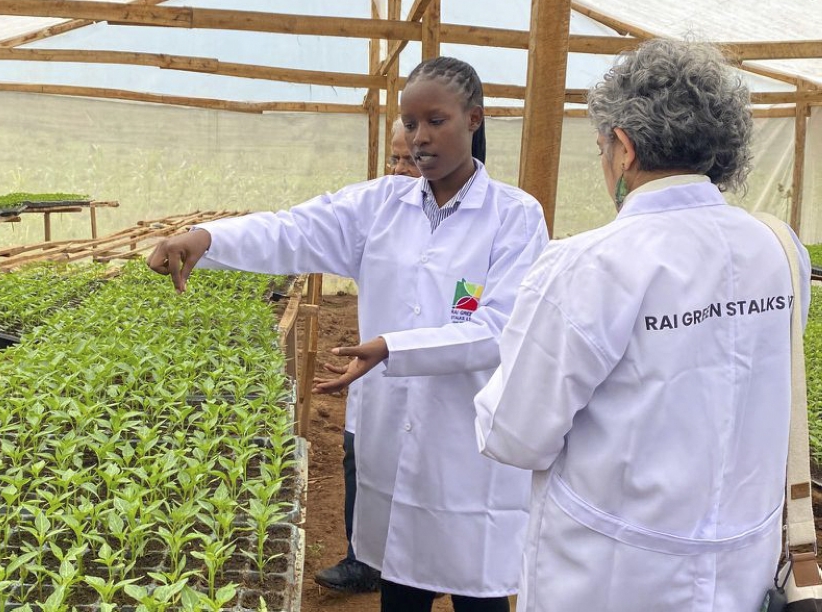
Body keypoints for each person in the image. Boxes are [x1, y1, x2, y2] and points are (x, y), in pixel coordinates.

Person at [148, 56, 548, 612]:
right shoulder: (378, 205)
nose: (419, 137)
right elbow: (291, 229)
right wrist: (206, 239)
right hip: (389, 434)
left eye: (436, 121)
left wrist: (392, 348)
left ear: (474, 119)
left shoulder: (514, 216)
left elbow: (499, 329)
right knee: (400, 582)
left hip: (465, 442)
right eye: (411, 123)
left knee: (476, 591)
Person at [472, 38, 811, 612]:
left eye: (602, 148)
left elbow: (515, 434)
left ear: (624, 148)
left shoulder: (587, 264)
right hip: (742, 566)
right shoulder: (779, 249)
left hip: (609, 575)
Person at [313, 116, 423, 595]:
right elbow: (301, 229)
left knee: (420, 482)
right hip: (373, 381)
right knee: (358, 460)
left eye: (410, 160)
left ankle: (414, 567)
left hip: (430, 391)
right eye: (394, 158)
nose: (399, 169)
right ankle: (362, 561)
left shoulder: (492, 222)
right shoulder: (378, 214)